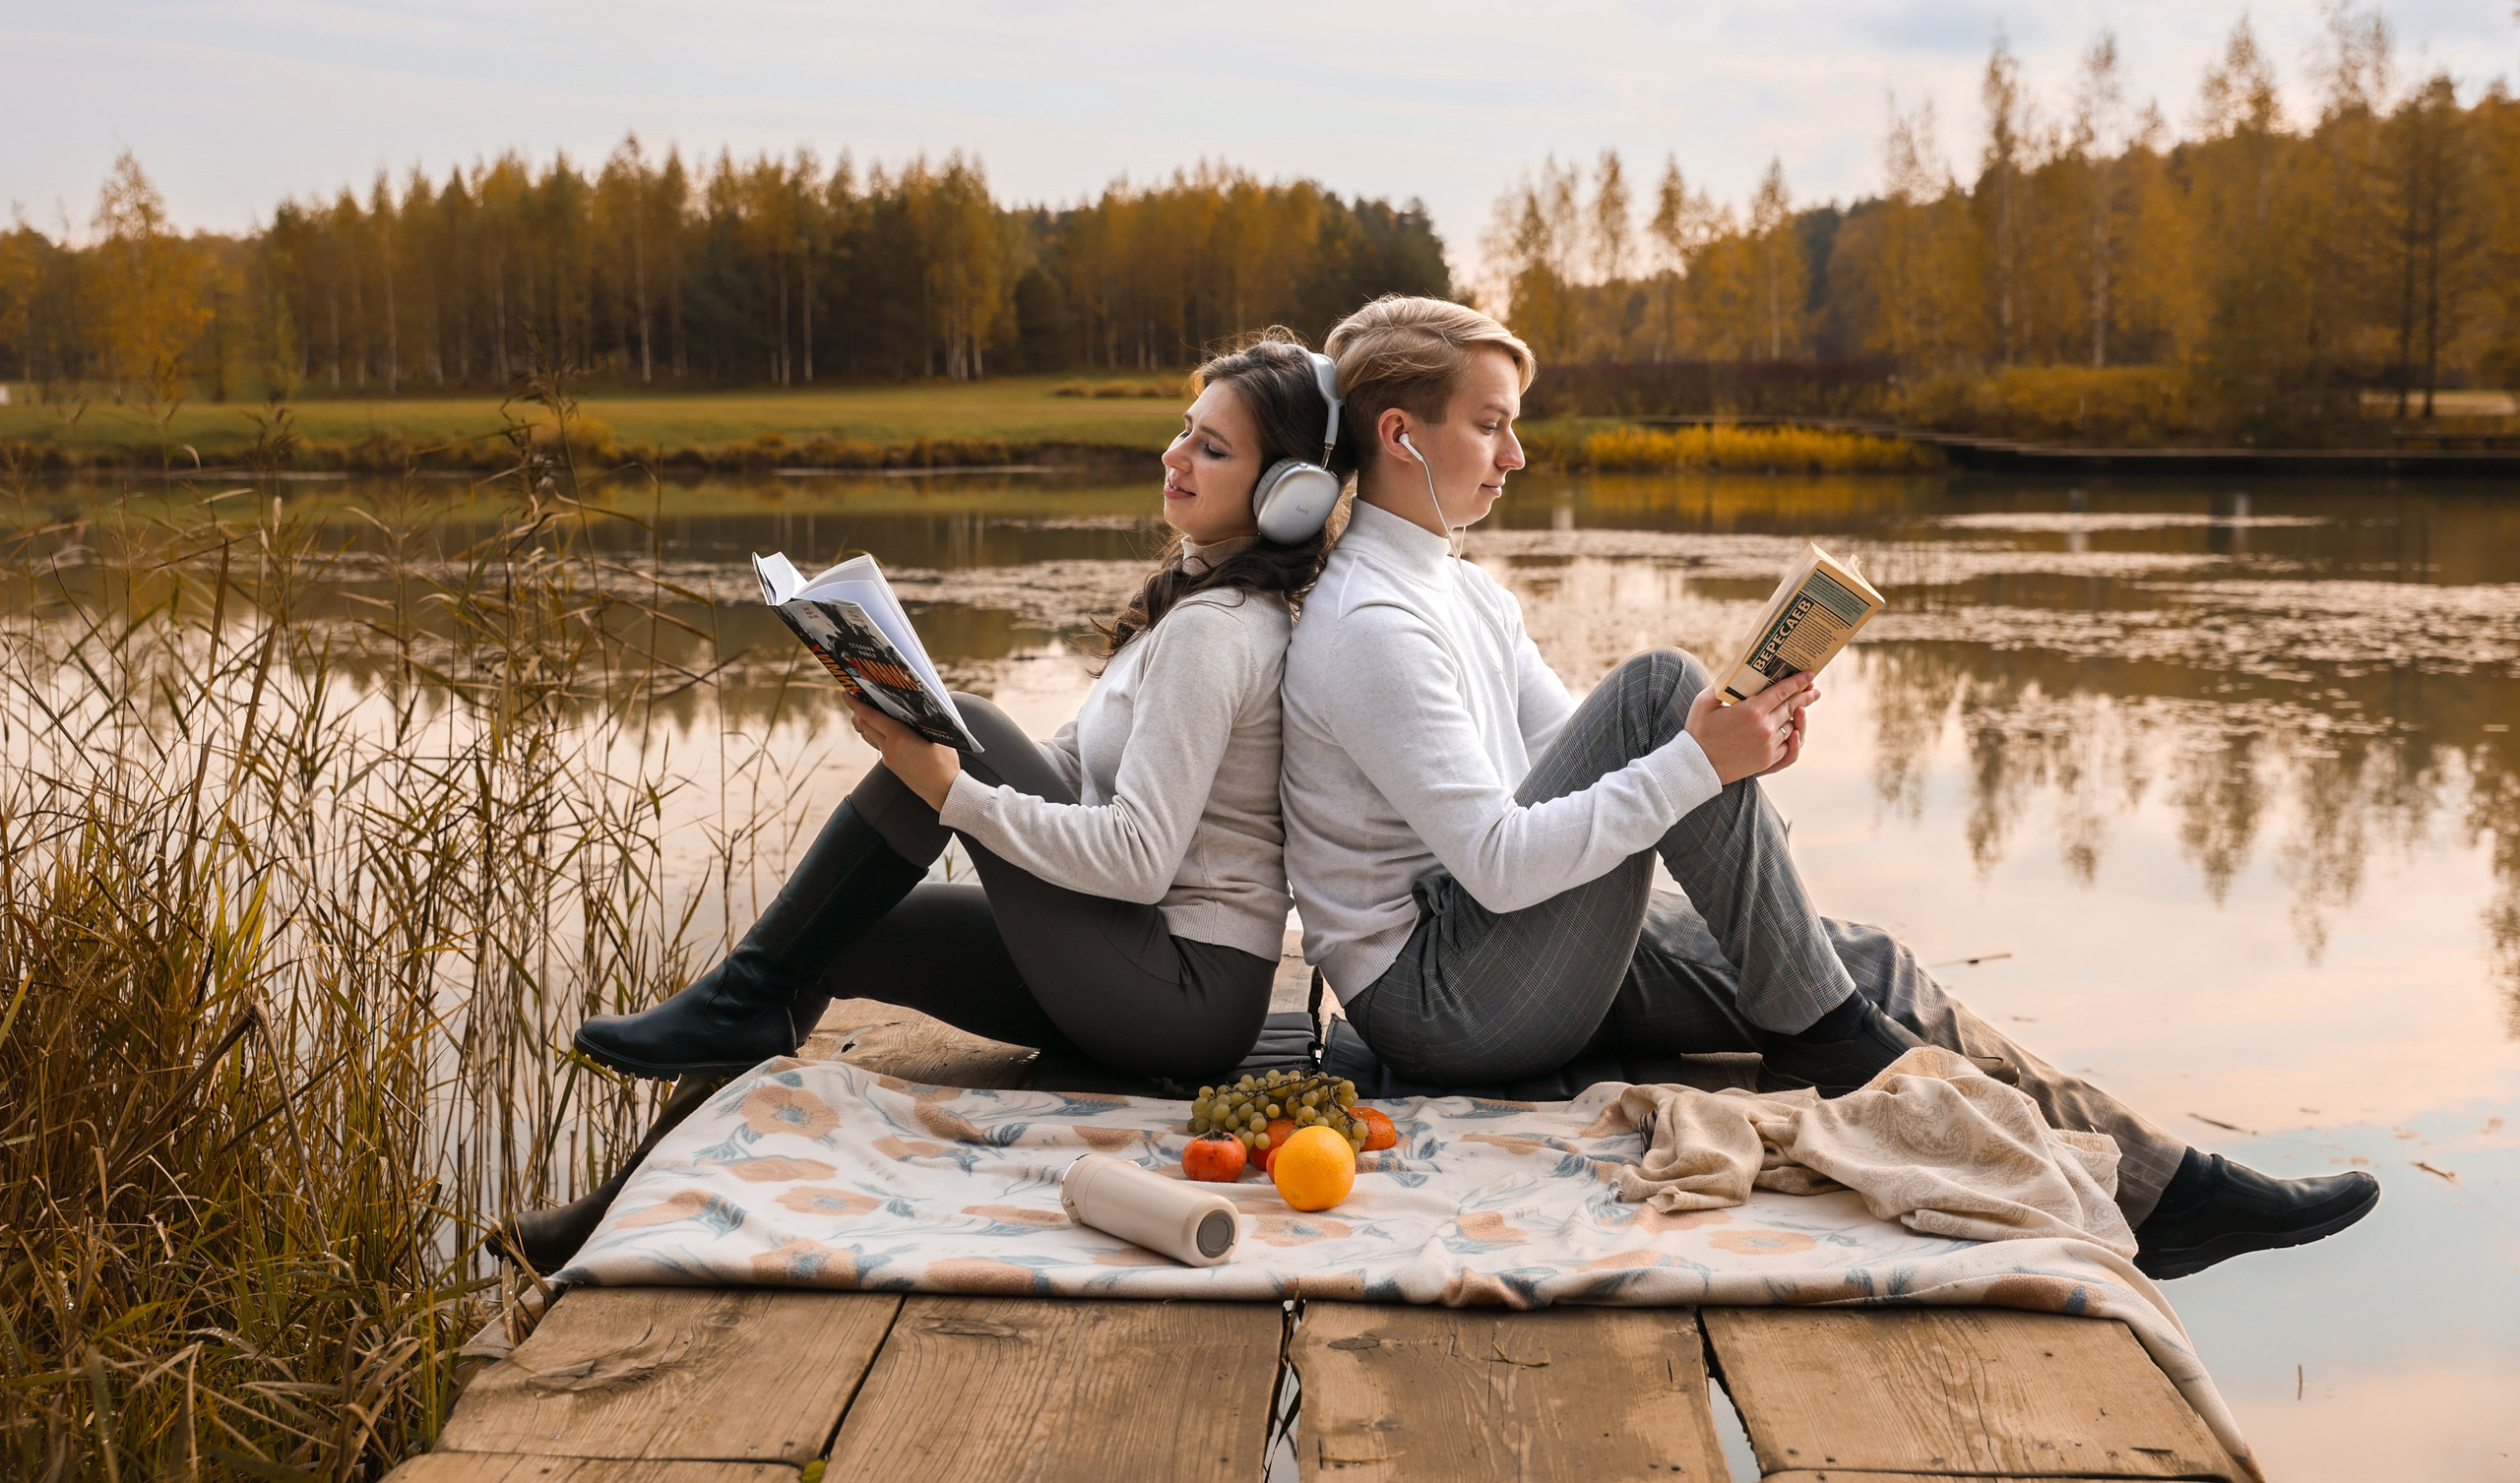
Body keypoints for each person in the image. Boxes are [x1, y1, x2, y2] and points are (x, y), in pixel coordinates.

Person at [1278, 294, 2378, 1279]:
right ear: (1398, 432)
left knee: (1867, 957)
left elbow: (1574, 763)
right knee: (1666, 691)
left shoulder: (1463, 592)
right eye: (1490, 421)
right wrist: (1701, 756)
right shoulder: (1372, 619)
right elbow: (1503, 861)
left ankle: (2163, 1186)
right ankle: (1823, 1027)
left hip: (1501, 948)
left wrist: (1734, 758)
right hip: (1440, 998)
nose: (1516, 451)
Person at [574, 336, 1353, 1086]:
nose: (1173, 456)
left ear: (1288, 495)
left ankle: (734, 998)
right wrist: (917, 707)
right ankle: (717, 1045)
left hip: (1184, 995)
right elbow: (1074, 767)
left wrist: (953, 790)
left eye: (1212, 448)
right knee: (840, 933)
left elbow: (1139, 860)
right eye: (1185, 430)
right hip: (1137, 967)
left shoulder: (1215, 631)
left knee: (969, 726)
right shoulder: (1196, 603)